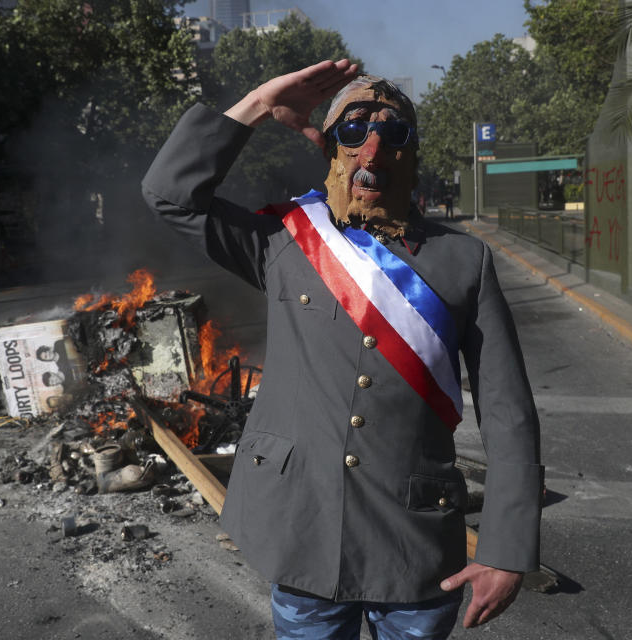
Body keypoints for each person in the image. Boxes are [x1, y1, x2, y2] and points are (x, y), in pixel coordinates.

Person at [142, 60, 542, 639]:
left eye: (393, 133)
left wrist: (506, 547)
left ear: (412, 151)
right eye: (352, 131)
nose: (371, 150)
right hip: (303, 530)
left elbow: (508, 412)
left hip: (416, 543)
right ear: (329, 147)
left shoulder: (464, 261)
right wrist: (257, 104)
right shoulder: (283, 240)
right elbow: (170, 194)